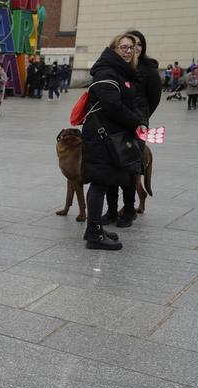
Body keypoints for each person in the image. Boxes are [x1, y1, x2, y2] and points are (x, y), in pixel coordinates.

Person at [81, 33, 147, 250]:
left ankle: (94, 228)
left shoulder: (120, 71)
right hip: (102, 135)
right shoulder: (107, 71)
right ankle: (94, 235)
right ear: (114, 49)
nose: (128, 51)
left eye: (132, 47)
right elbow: (112, 106)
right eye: (123, 47)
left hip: (108, 134)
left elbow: (129, 103)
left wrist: (139, 120)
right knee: (99, 183)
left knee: (101, 182)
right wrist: (136, 121)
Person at [102, 29, 161, 227]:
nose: (133, 49)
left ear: (142, 48)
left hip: (137, 124)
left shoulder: (148, 69)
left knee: (130, 169)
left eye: (137, 45)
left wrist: (141, 118)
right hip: (117, 122)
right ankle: (111, 210)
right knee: (111, 166)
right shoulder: (119, 68)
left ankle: (128, 210)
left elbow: (154, 99)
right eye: (128, 46)